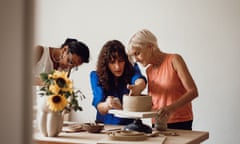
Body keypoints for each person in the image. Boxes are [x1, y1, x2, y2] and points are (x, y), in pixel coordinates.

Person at [127, 29, 198, 130]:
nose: (136, 59)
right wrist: (137, 96)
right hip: (157, 123)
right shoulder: (149, 70)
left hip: (180, 121)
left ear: (150, 46)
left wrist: (170, 109)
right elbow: (156, 100)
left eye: (137, 53)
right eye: (133, 56)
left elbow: (193, 92)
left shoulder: (174, 60)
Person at [90, 40, 147, 125]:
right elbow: (99, 106)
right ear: (106, 63)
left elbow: (140, 80)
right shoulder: (96, 76)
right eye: (112, 62)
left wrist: (137, 87)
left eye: (120, 61)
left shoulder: (132, 69)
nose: (117, 67)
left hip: (130, 126)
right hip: (106, 126)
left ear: (126, 60)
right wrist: (108, 104)